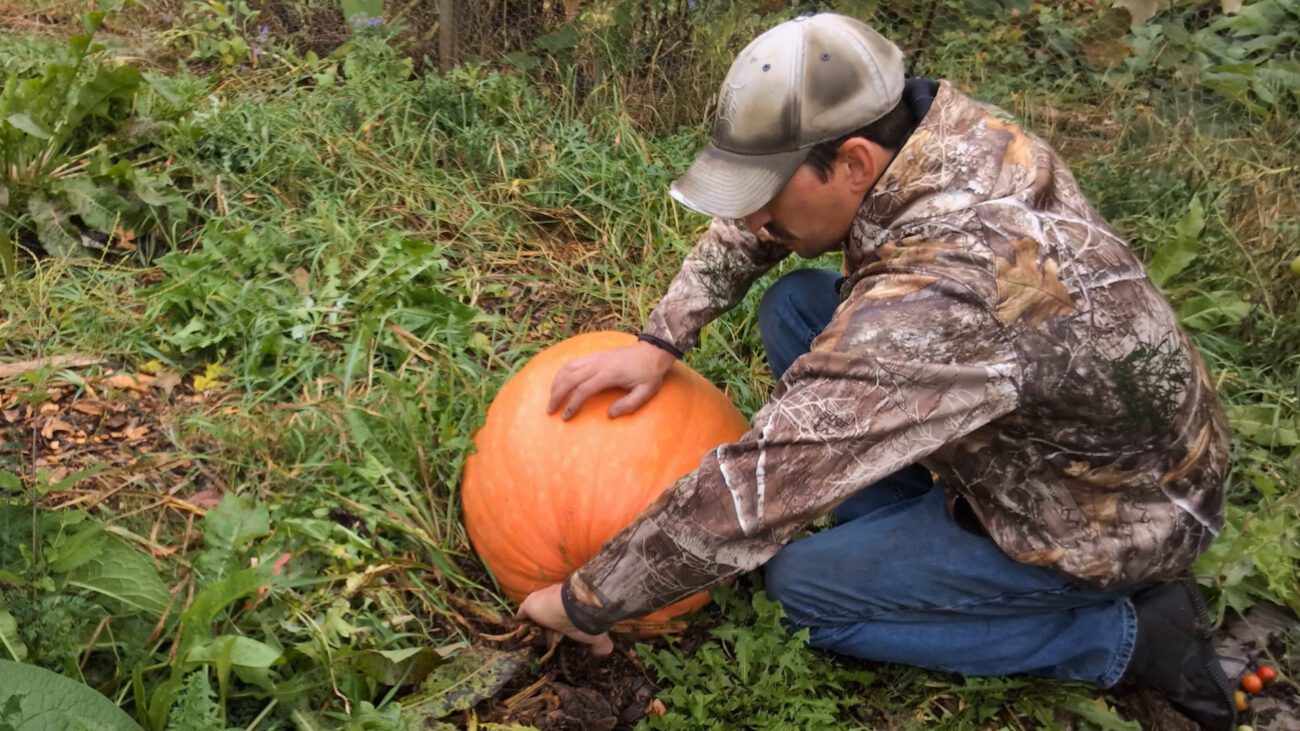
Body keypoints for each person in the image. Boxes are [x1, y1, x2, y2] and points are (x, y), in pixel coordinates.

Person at [514, 12, 1237, 730]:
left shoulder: (946, 291)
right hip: (1053, 427)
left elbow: (758, 488)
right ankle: (908, 529)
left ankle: (1127, 636)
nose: (755, 216)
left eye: (764, 191)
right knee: (797, 305)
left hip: (1103, 516)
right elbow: (755, 223)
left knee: (798, 590)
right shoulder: (937, 132)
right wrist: (660, 340)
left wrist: (584, 599)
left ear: (855, 162)